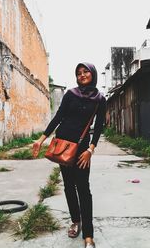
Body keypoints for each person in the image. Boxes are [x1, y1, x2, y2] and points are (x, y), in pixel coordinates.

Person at [32, 62, 106, 248]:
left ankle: (88, 235)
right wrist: (41, 140)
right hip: (63, 146)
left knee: (84, 189)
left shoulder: (99, 99)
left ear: (93, 74)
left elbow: (98, 127)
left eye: (85, 72)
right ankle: (75, 220)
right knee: (68, 186)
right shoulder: (71, 94)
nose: (82, 75)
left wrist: (91, 149)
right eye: (78, 73)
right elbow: (58, 117)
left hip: (82, 150)